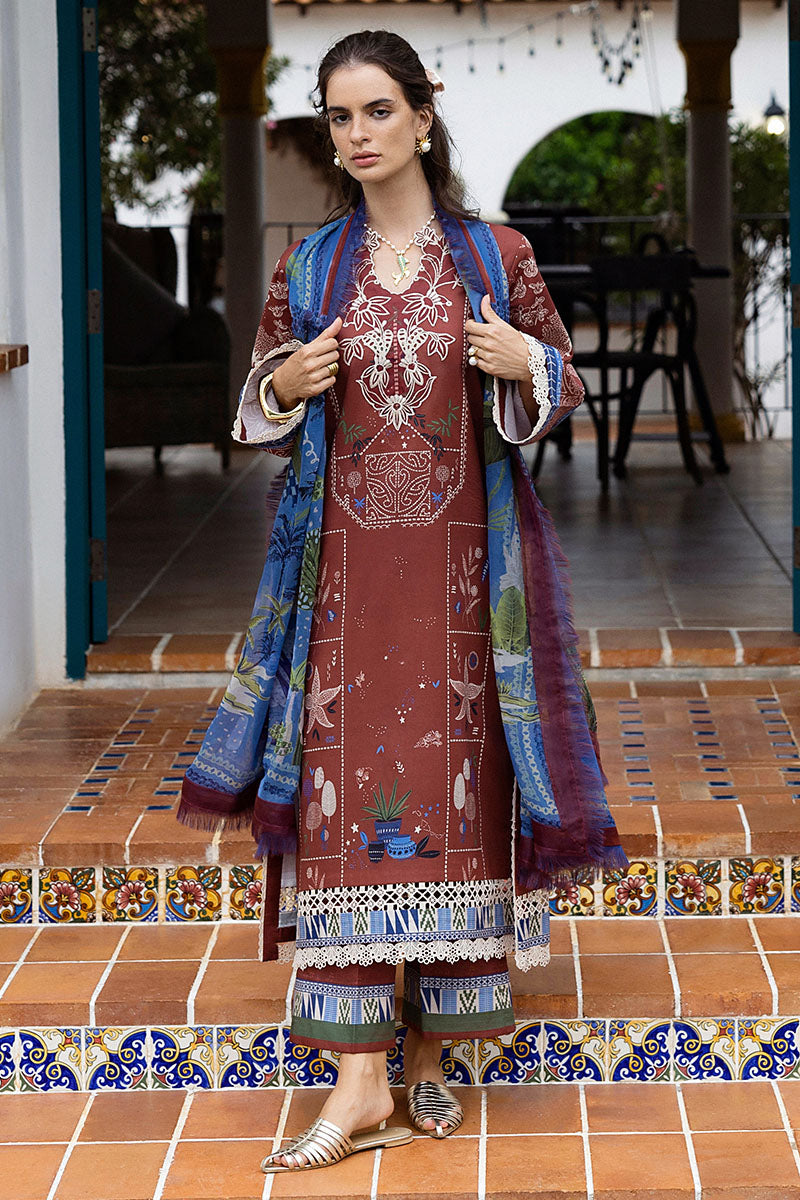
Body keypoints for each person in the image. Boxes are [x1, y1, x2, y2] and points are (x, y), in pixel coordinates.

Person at [178, 29, 628, 1175]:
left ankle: (427, 1050)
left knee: (457, 796)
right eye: (339, 116)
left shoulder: (493, 256)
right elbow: (257, 400)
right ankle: (358, 1079)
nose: (357, 134)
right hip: (342, 588)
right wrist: (284, 383)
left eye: (377, 110)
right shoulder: (312, 267)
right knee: (344, 806)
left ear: (423, 117)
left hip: (464, 588)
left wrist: (522, 362)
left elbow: (559, 379)